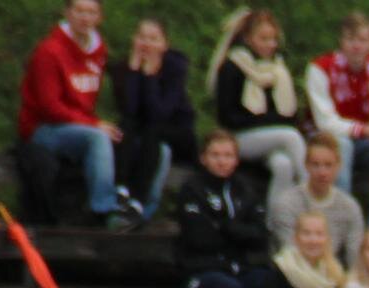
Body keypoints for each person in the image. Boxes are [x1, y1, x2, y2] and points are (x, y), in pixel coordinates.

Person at [21, 0, 134, 229]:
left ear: (99, 17)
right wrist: (93, 124)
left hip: (76, 127)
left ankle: (132, 206)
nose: (85, 17)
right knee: (98, 136)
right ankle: (104, 209)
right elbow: (49, 107)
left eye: (91, 12)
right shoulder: (49, 51)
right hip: (42, 129)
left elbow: (86, 103)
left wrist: (93, 124)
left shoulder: (98, 51)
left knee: (125, 138)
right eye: (79, 11)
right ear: (68, 13)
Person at [175, 131, 273, 288]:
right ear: (203, 158)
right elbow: (201, 239)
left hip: (239, 268)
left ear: (236, 160)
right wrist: (240, 233)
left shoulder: (245, 189)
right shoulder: (192, 190)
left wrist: (226, 227)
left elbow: (260, 236)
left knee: (267, 282)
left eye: (228, 156)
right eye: (215, 155)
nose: (222, 161)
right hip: (200, 271)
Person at [208, 9, 306, 205]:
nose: (270, 45)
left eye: (273, 39)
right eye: (264, 39)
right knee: (291, 136)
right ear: (248, 38)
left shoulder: (278, 71)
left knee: (283, 165)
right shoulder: (232, 67)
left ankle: (275, 222)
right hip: (239, 137)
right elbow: (228, 117)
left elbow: (289, 115)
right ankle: (311, 196)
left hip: (269, 139)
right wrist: (268, 121)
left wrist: (273, 121)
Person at [305, 12, 369, 204]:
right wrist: (364, 129)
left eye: (362, 40)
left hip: (364, 141)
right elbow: (325, 123)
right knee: (343, 145)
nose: (356, 46)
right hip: (323, 139)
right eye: (350, 39)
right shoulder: (319, 68)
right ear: (341, 41)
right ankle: (343, 215)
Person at [110, 18, 196, 221]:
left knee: (152, 131)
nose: (146, 44)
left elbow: (160, 113)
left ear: (164, 44)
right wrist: (133, 73)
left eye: (153, 39)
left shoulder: (175, 68)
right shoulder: (124, 67)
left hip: (176, 130)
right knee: (125, 126)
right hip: (143, 127)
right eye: (142, 37)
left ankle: (140, 200)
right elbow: (128, 110)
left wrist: (149, 78)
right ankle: (121, 188)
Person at [267, 136, 364, 268]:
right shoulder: (287, 203)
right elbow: (289, 253)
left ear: (338, 166)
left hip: (332, 274)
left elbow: (355, 259)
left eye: (328, 165)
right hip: (293, 273)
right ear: (306, 165)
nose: (322, 172)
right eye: (315, 165)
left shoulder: (350, 207)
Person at [265, 212, 351, 288]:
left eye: (319, 234)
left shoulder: (332, 275)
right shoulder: (280, 271)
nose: (313, 240)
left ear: (326, 239)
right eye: (307, 233)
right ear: (296, 238)